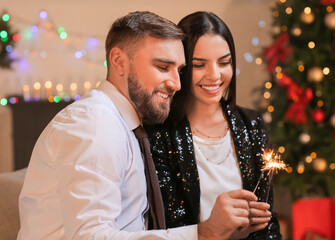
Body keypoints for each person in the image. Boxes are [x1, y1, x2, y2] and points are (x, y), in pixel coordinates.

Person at [17, 11, 253, 240]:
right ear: (119, 62)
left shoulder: (130, 126)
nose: (176, 84)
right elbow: (90, 237)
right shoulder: (94, 124)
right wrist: (204, 234)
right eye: (162, 67)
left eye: (179, 70)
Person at [145, 11, 282, 239]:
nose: (215, 75)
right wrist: (213, 226)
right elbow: (166, 227)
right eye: (200, 65)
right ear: (183, 67)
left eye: (224, 62)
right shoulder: (159, 133)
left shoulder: (252, 124)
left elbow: (268, 221)